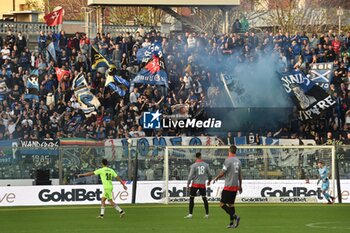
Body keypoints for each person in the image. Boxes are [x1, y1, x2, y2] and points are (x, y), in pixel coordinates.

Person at [213, 145, 242, 228]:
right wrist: (240, 186)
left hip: (228, 186)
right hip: (235, 187)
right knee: (231, 205)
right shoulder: (238, 161)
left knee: (222, 204)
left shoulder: (228, 160)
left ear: (229, 151)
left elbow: (222, 173)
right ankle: (231, 223)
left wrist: (217, 178)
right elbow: (240, 175)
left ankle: (236, 217)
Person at [184, 152, 211, 219]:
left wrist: (188, 185)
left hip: (195, 184)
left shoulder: (193, 165)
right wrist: (209, 181)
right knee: (204, 199)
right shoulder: (206, 165)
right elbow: (210, 175)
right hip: (202, 184)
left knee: (191, 198)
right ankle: (207, 214)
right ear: (200, 156)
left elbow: (190, 176)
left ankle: (190, 214)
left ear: (196, 157)